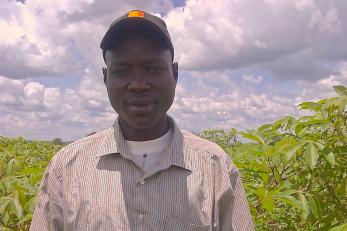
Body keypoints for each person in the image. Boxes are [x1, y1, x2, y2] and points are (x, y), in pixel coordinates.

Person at [30, 10, 254, 231]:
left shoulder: (215, 166)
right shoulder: (67, 167)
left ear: (174, 74)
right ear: (106, 78)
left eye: (153, 69)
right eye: (122, 70)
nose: (138, 84)